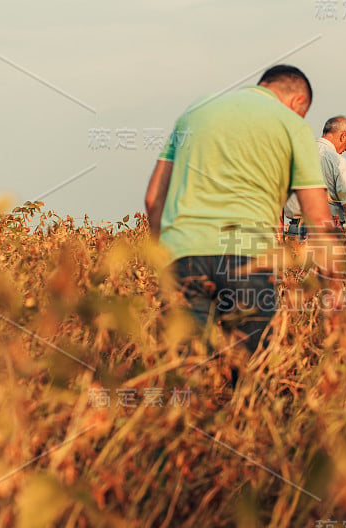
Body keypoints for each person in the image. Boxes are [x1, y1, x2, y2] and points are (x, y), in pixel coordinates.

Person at [144, 65, 336, 354]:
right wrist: (332, 294)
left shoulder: (195, 112)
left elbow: (153, 199)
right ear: (298, 102)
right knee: (249, 377)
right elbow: (319, 218)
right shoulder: (292, 124)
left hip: (182, 257)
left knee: (185, 376)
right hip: (248, 259)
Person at [284, 116, 346, 239]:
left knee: (296, 258)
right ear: (343, 136)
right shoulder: (338, 161)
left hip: (294, 231)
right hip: (326, 232)